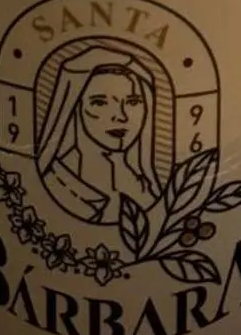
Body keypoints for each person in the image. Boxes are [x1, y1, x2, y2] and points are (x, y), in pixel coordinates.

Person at [35, 46, 170, 223]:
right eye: (99, 103)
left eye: (133, 102)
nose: (121, 116)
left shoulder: (144, 188)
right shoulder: (57, 182)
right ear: (74, 107)